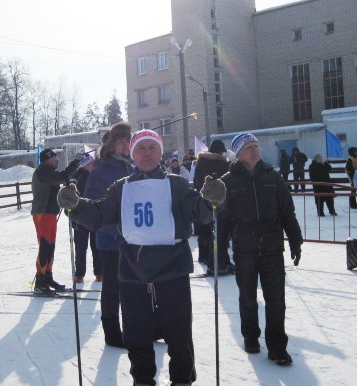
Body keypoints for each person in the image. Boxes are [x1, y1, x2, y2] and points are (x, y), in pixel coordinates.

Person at [58, 129, 226, 386]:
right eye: (140, 148)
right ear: (133, 154)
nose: (146, 153)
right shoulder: (121, 187)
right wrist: (77, 205)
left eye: (151, 147)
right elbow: (99, 214)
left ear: (160, 152)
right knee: (136, 332)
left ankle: (181, 379)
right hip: (133, 270)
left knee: (178, 331)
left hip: (173, 268)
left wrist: (211, 200)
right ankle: (143, 379)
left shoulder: (176, 183)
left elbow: (200, 212)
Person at [220, 133, 303, 366]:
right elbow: (223, 219)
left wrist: (295, 239)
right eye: (248, 147)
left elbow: (287, 211)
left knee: (276, 299)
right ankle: (250, 337)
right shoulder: (228, 180)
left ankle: (277, 347)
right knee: (247, 298)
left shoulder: (273, 176)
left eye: (256, 146)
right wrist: (219, 252)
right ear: (238, 153)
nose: (254, 150)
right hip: (244, 249)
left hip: (272, 249)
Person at [83, 122, 133, 348]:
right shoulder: (101, 170)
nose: (126, 143)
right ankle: (112, 331)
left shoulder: (133, 168)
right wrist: (115, 227)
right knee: (113, 287)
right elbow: (94, 208)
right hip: (111, 240)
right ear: (112, 144)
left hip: (135, 239)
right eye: (121, 140)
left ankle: (142, 326)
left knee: (137, 286)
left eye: (128, 139)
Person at [31, 148, 82, 292]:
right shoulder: (42, 171)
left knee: (51, 246)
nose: (57, 160)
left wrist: (68, 183)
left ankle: (47, 276)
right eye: (55, 157)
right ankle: (40, 281)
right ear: (48, 158)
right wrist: (76, 162)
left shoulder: (48, 172)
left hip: (50, 213)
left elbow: (61, 178)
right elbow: (61, 175)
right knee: (45, 246)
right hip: (43, 213)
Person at [192, 139, 234, 274]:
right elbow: (227, 182)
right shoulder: (222, 163)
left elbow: (197, 181)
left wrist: (203, 194)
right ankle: (218, 263)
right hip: (220, 202)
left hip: (202, 201)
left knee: (205, 230)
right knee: (219, 233)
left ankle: (203, 256)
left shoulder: (201, 162)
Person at [72, 153, 102, 283]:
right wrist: (71, 212)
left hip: (95, 216)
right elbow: (68, 197)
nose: (93, 164)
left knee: (97, 246)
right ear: (86, 164)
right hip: (79, 218)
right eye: (91, 162)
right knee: (80, 247)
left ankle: (100, 272)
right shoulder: (76, 176)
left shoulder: (97, 175)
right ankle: (79, 274)